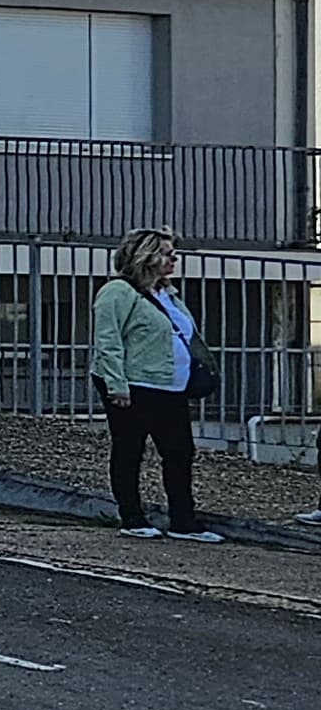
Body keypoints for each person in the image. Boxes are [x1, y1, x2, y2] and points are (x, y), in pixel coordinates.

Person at [92, 228, 222, 542]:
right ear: (145, 256)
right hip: (135, 383)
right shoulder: (118, 292)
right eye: (166, 253)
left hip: (169, 385)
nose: (173, 259)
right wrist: (116, 384)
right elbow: (107, 341)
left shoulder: (168, 294)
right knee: (129, 449)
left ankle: (183, 520)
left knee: (179, 452)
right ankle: (132, 517)